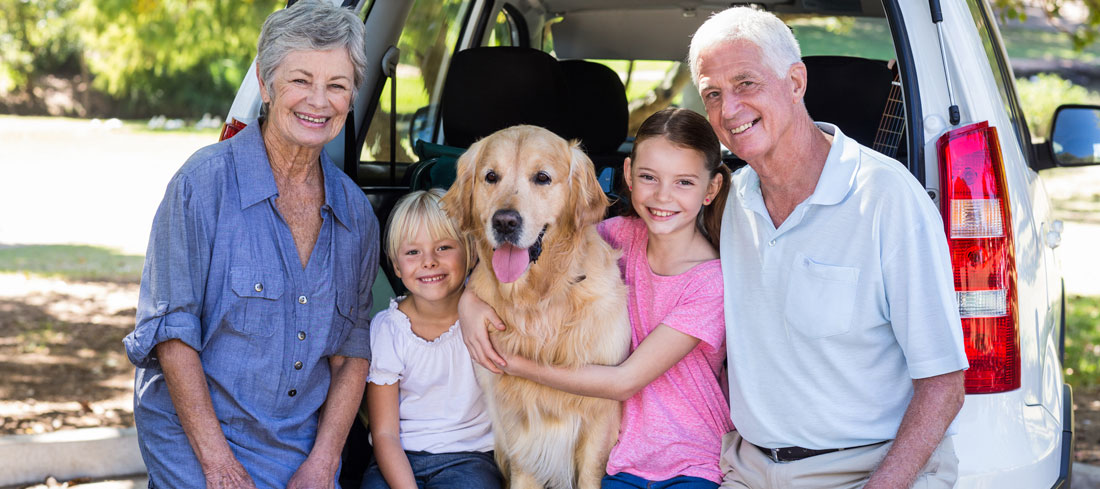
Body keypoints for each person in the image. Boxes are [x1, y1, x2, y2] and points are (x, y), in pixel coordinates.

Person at [688, 7, 969, 489]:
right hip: (748, 469)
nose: (727, 110)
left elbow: (944, 384)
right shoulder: (729, 199)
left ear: (796, 82)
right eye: (712, 94)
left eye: (746, 84)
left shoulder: (885, 198)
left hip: (866, 470)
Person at [122, 2, 378, 488]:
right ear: (265, 82)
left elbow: (352, 352)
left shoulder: (356, 215)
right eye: (301, 80)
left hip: (298, 455)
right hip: (195, 446)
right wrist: (220, 469)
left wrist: (323, 465)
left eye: (337, 85)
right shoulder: (202, 184)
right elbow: (173, 336)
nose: (319, 101)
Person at [461, 108, 734, 488]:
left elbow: (623, 383)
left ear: (711, 189)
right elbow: (540, 253)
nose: (663, 195)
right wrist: (469, 301)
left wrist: (512, 364)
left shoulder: (710, 283)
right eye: (649, 178)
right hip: (625, 458)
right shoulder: (617, 235)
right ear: (628, 176)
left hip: (689, 459)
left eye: (684, 182)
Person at [360, 189, 501, 489]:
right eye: (412, 252)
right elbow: (385, 433)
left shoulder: (486, 318)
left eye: (444, 247)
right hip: (398, 456)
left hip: (470, 458)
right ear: (396, 266)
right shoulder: (389, 329)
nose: (429, 261)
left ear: (472, 252)